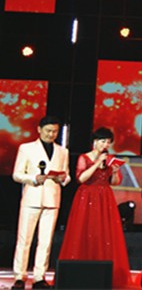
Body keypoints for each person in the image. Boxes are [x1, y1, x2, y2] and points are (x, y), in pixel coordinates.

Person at [58, 128, 131, 288]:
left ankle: (104, 273)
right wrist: (97, 163)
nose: (105, 145)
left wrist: (115, 172)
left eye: (108, 142)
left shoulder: (110, 159)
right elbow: (81, 178)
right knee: (84, 229)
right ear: (95, 142)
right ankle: (80, 273)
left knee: (104, 232)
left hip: (105, 197)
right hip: (87, 196)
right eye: (103, 141)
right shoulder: (84, 157)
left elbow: (115, 182)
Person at [12, 116, 71, 290]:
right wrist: (33, 178)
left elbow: (67, 175)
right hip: (32, 198)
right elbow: (17, 174)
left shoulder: (62, 151)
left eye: (54, 132)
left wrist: (63, 178)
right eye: (48, 131)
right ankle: (20, 276)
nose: (51, 134)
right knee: (24, 239)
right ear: (39, 130)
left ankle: (39, 276)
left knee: (45, 241)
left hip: (52, 199)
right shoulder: (26, 148)